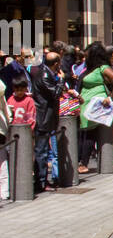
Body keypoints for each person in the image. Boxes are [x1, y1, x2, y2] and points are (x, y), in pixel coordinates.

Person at [78, 42, 113, 173]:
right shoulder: (91, 68)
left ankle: (84, 162)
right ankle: (83, 161)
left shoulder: (103, 68)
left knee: (90, 133)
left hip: (96, 106)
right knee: (85, 133)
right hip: (85, 104)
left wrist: (110, 97)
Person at [29, 49, 65, 192]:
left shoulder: (46, 73)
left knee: (43, 150)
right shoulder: (44, 75)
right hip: (43, 118)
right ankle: (41, 182)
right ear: (56, 63)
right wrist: (61, 80)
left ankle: (42, 180)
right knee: (41, 151)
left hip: (47, 117)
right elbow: (55, 94)